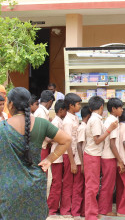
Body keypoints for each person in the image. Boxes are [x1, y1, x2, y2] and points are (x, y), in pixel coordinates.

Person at [0, 87, 71, 220]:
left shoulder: (2, 127)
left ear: (10, 104)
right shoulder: (41, 124)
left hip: (9, 188)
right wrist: (50, 159)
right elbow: (67, 140)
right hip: (35, 185)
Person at [84, 96, 118, 220]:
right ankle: (91, 215)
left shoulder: (94, 119)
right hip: (92, 155)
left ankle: (92, 212)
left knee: (92, 186)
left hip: (93, 155)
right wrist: (109, 130)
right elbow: (97, 140)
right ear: (101, 107)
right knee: (92, 187)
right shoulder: (96, 120)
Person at [99, 98, 124, 216]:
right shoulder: (112, 121)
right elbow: (112, 144)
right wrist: (120, 160)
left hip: (108, 156)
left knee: (108, 184)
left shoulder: (111, 119)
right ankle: (104, 210)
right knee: (108, 185)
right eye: (120, 108)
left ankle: (105, 209)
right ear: (113, 109)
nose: (122, 110)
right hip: (109, 157)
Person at [60, 93, 82, 217]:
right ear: (71, 105)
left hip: (74, 154)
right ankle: (65, 210)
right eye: (78, 104)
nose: (79, 106)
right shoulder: (68, 121)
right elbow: (67, 142)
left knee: (73, 183)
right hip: (69, 155)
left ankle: (72, 208)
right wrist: (72, 162)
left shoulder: (75, 118)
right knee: (68, 183)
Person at [47, 100, 67, 215]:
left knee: (58, 182)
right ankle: (51, 208)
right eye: (65, 110)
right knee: (56, 182)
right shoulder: (56, 122)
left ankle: (54, 206)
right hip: (56, 156)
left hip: (58, 155)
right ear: (61, 110)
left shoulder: (59, 121)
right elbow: (51, 137)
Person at [76, 105, 92, 217]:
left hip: (82, 161)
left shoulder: (84, 126)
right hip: (80, 161)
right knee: (79, 187)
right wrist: (82, 164)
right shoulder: (83, 127)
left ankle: (82, 211)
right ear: (89, 116)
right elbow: (79, 145)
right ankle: (78, 211)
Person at [34, 90, 55, 161]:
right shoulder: (41, 113)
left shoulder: (41, 111)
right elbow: (41, 133)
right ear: (50, 101)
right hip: (41, 148)